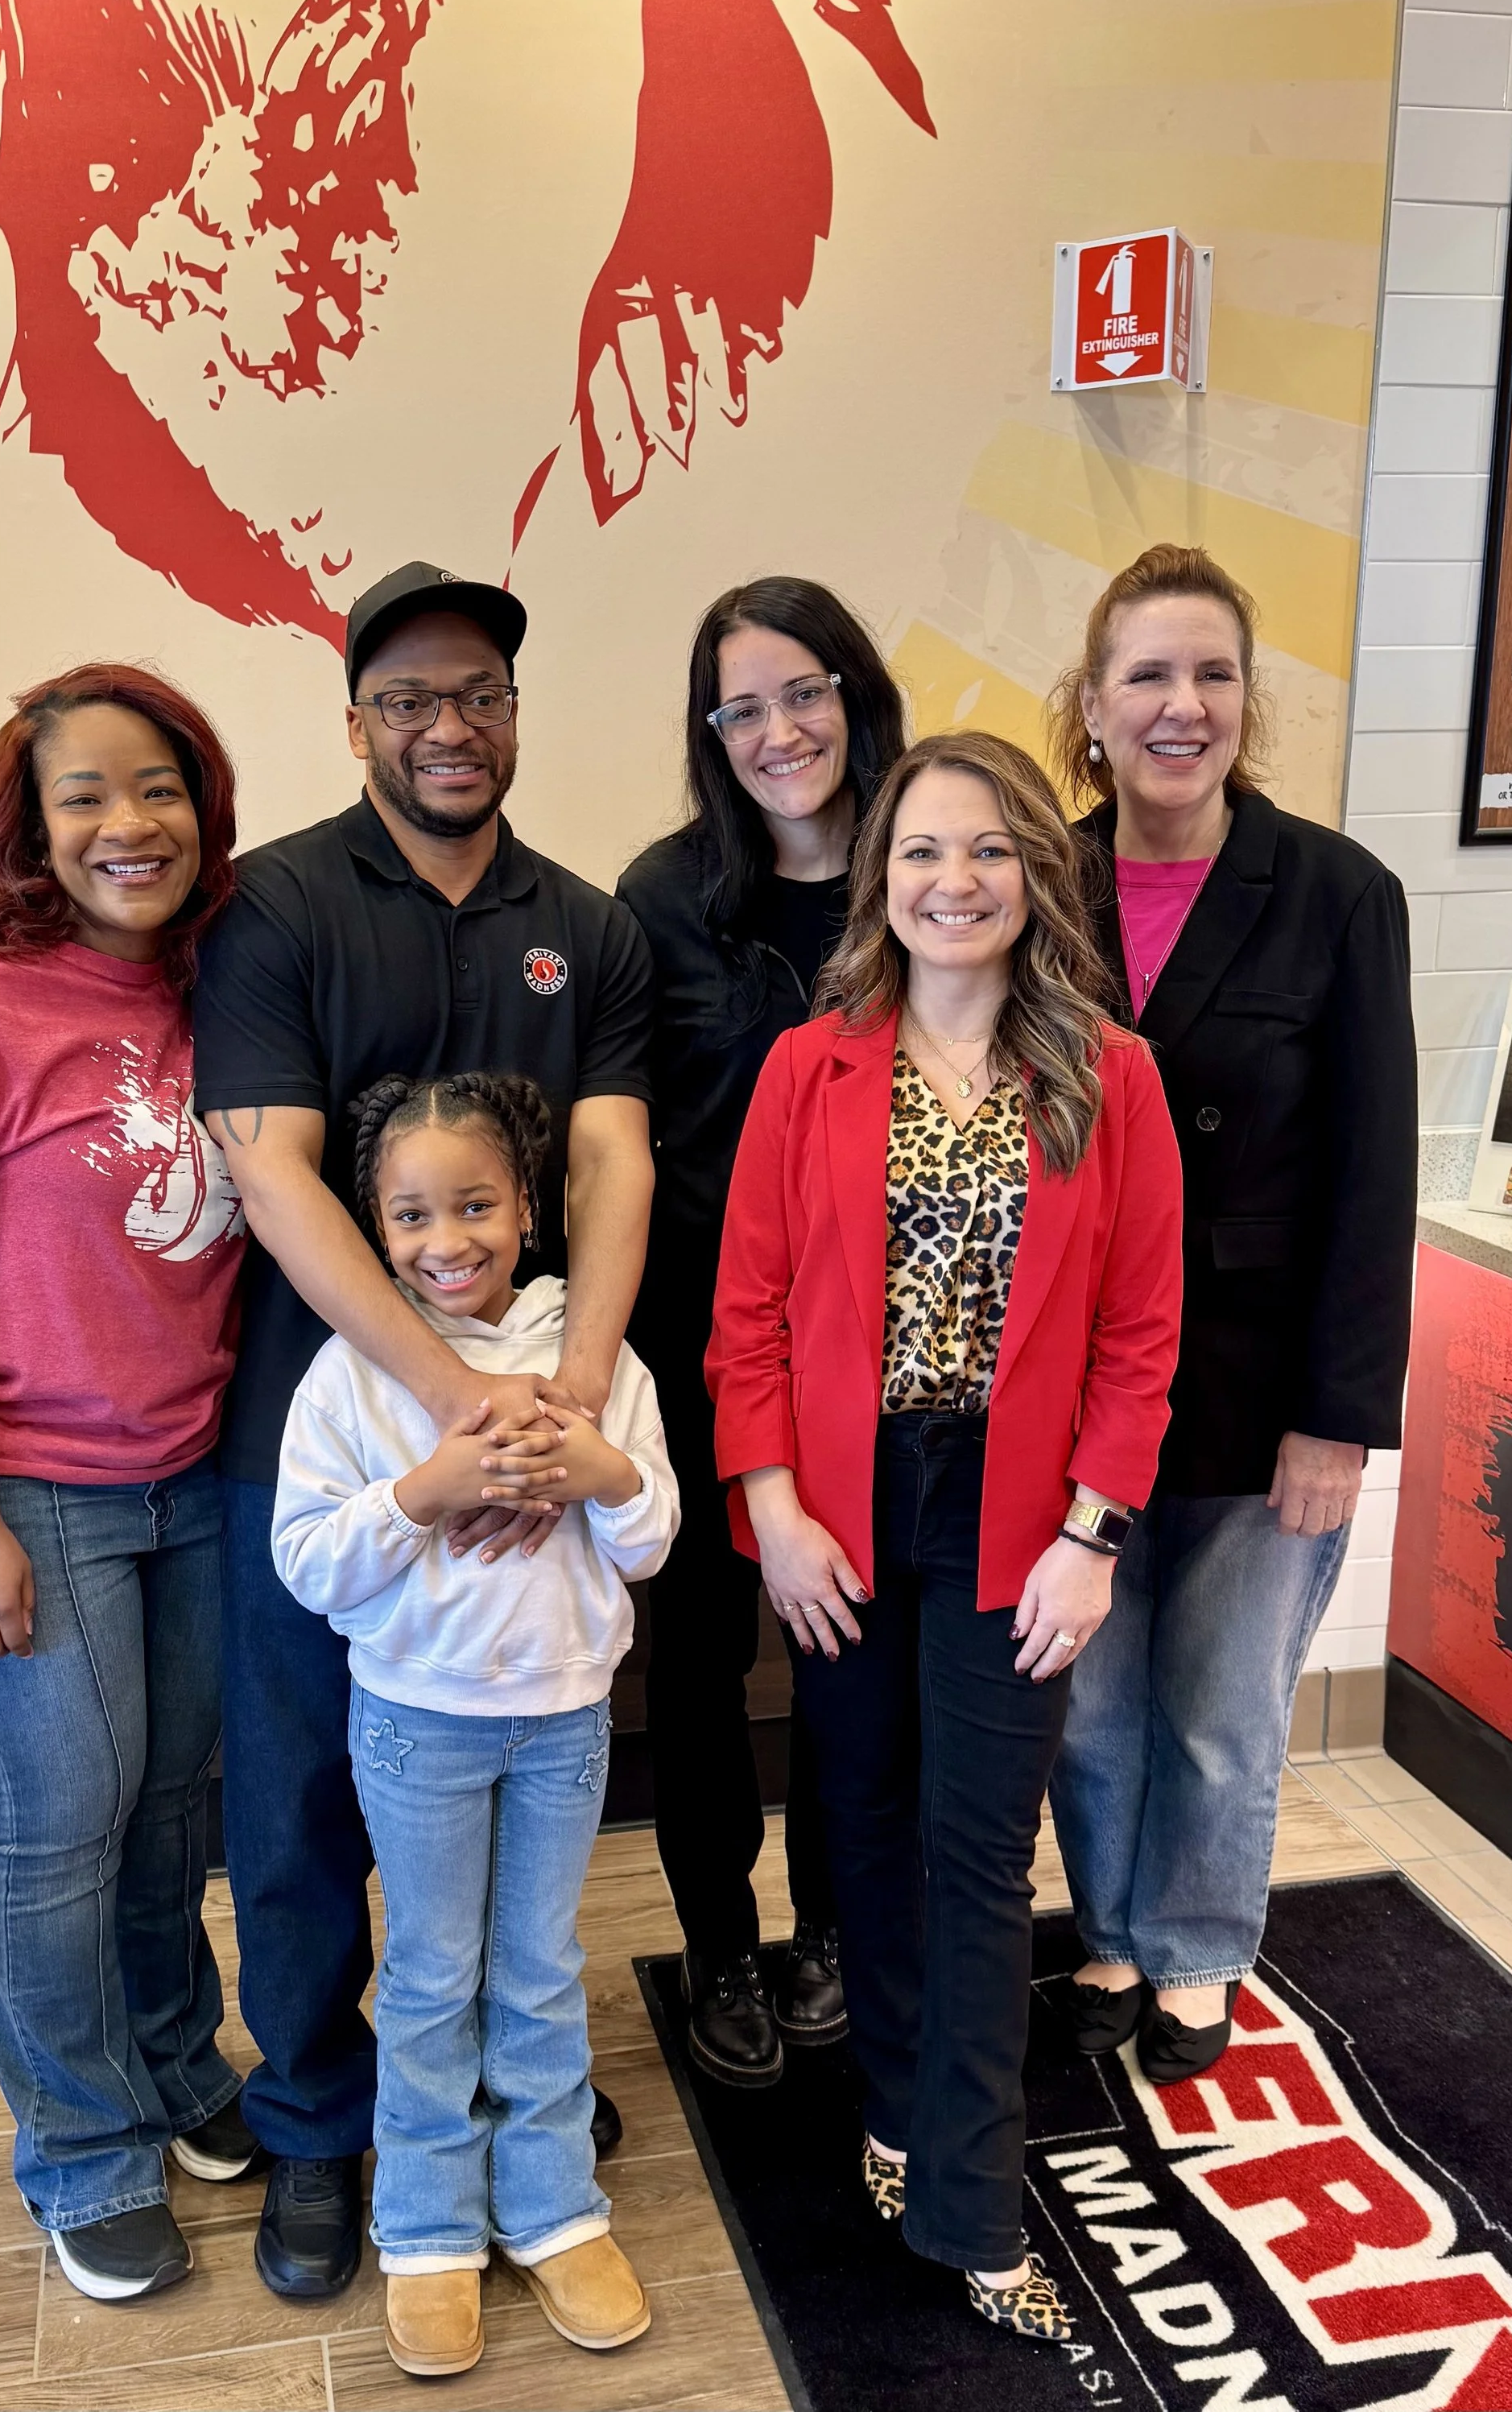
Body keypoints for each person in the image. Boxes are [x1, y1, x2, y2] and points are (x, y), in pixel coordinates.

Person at [191, 561, 655, 2301]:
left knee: (520, 1829)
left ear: (516, 713)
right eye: (408, 700)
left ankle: (497, 2114)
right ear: (358, 723)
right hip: (324, 1437)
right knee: (306, 1805)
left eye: (478, 693)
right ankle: (320, 2128)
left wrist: (571, 1402)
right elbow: (272, 1167)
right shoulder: (279, 903)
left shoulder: (588, 922)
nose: (448, 726)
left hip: (552, 1416)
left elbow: (612, 1157)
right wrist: (461, 1404)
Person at [707, 730, 1182, 2338]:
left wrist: (1091, 1533)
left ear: (1033, 873)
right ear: (878, 877)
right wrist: (766, 1504)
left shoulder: (1108, 1073)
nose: (951, 879)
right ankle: (898, 2110)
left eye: (985, 849)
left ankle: (977, 2198)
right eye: (919, 850)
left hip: (1019, 1517)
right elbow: (748, 1311)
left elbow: (1137, 1334)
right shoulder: (807, 1064)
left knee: (978, 1853)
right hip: (841, 1503)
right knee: (865, 1828)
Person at [0, 664, 257, 2306]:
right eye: (83, 793)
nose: (125, 823)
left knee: (167, 1811)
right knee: (62, 1827)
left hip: (199, 1472)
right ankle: (81, 2146)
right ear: (29, 819)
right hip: (28, 1490)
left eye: (155, 785)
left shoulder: (226, 982)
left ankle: (176, 2064)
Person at [1046, 540, 1417, 2083]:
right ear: (1091, 703)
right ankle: (1113, 1931)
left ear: (1247, 703)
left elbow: (1371, 1170)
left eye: (1212, 674)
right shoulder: (1033, 879)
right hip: (1070, 1390)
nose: (1180, 704)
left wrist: (1341, 1416)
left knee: (1220, 1704)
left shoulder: (1337, 893)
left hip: (1267, 1391)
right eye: (1148, 673)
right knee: (1089, 1703)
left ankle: (1197, 1949)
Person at [272, 1071, 677, 2378]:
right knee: (436, 1975)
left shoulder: (596, 1364)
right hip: (416, 1727)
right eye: (410, 1216)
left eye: (477, 1205)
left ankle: (556, 2210)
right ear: (371, 1226)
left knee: (542, 1968)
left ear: (534, 1204)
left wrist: (602, 1470)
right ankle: (431, 2228)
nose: (447, 1240)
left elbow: (652, 1537)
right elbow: (310, 1566)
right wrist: (427, 1489)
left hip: (565, 1724)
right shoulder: (352, 1373)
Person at [616, 576, 907, 2087]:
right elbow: (622, 1137)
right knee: (704, 1664)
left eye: (807, 691)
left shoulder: (929, 867)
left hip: (881, 1351)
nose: (781, 730)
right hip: (693, 1339)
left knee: (854, 1651)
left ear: (857, 693)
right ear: (710, 730)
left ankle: (836, 1928)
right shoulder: (664, 900)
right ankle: (719, 1937)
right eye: (742, 706)